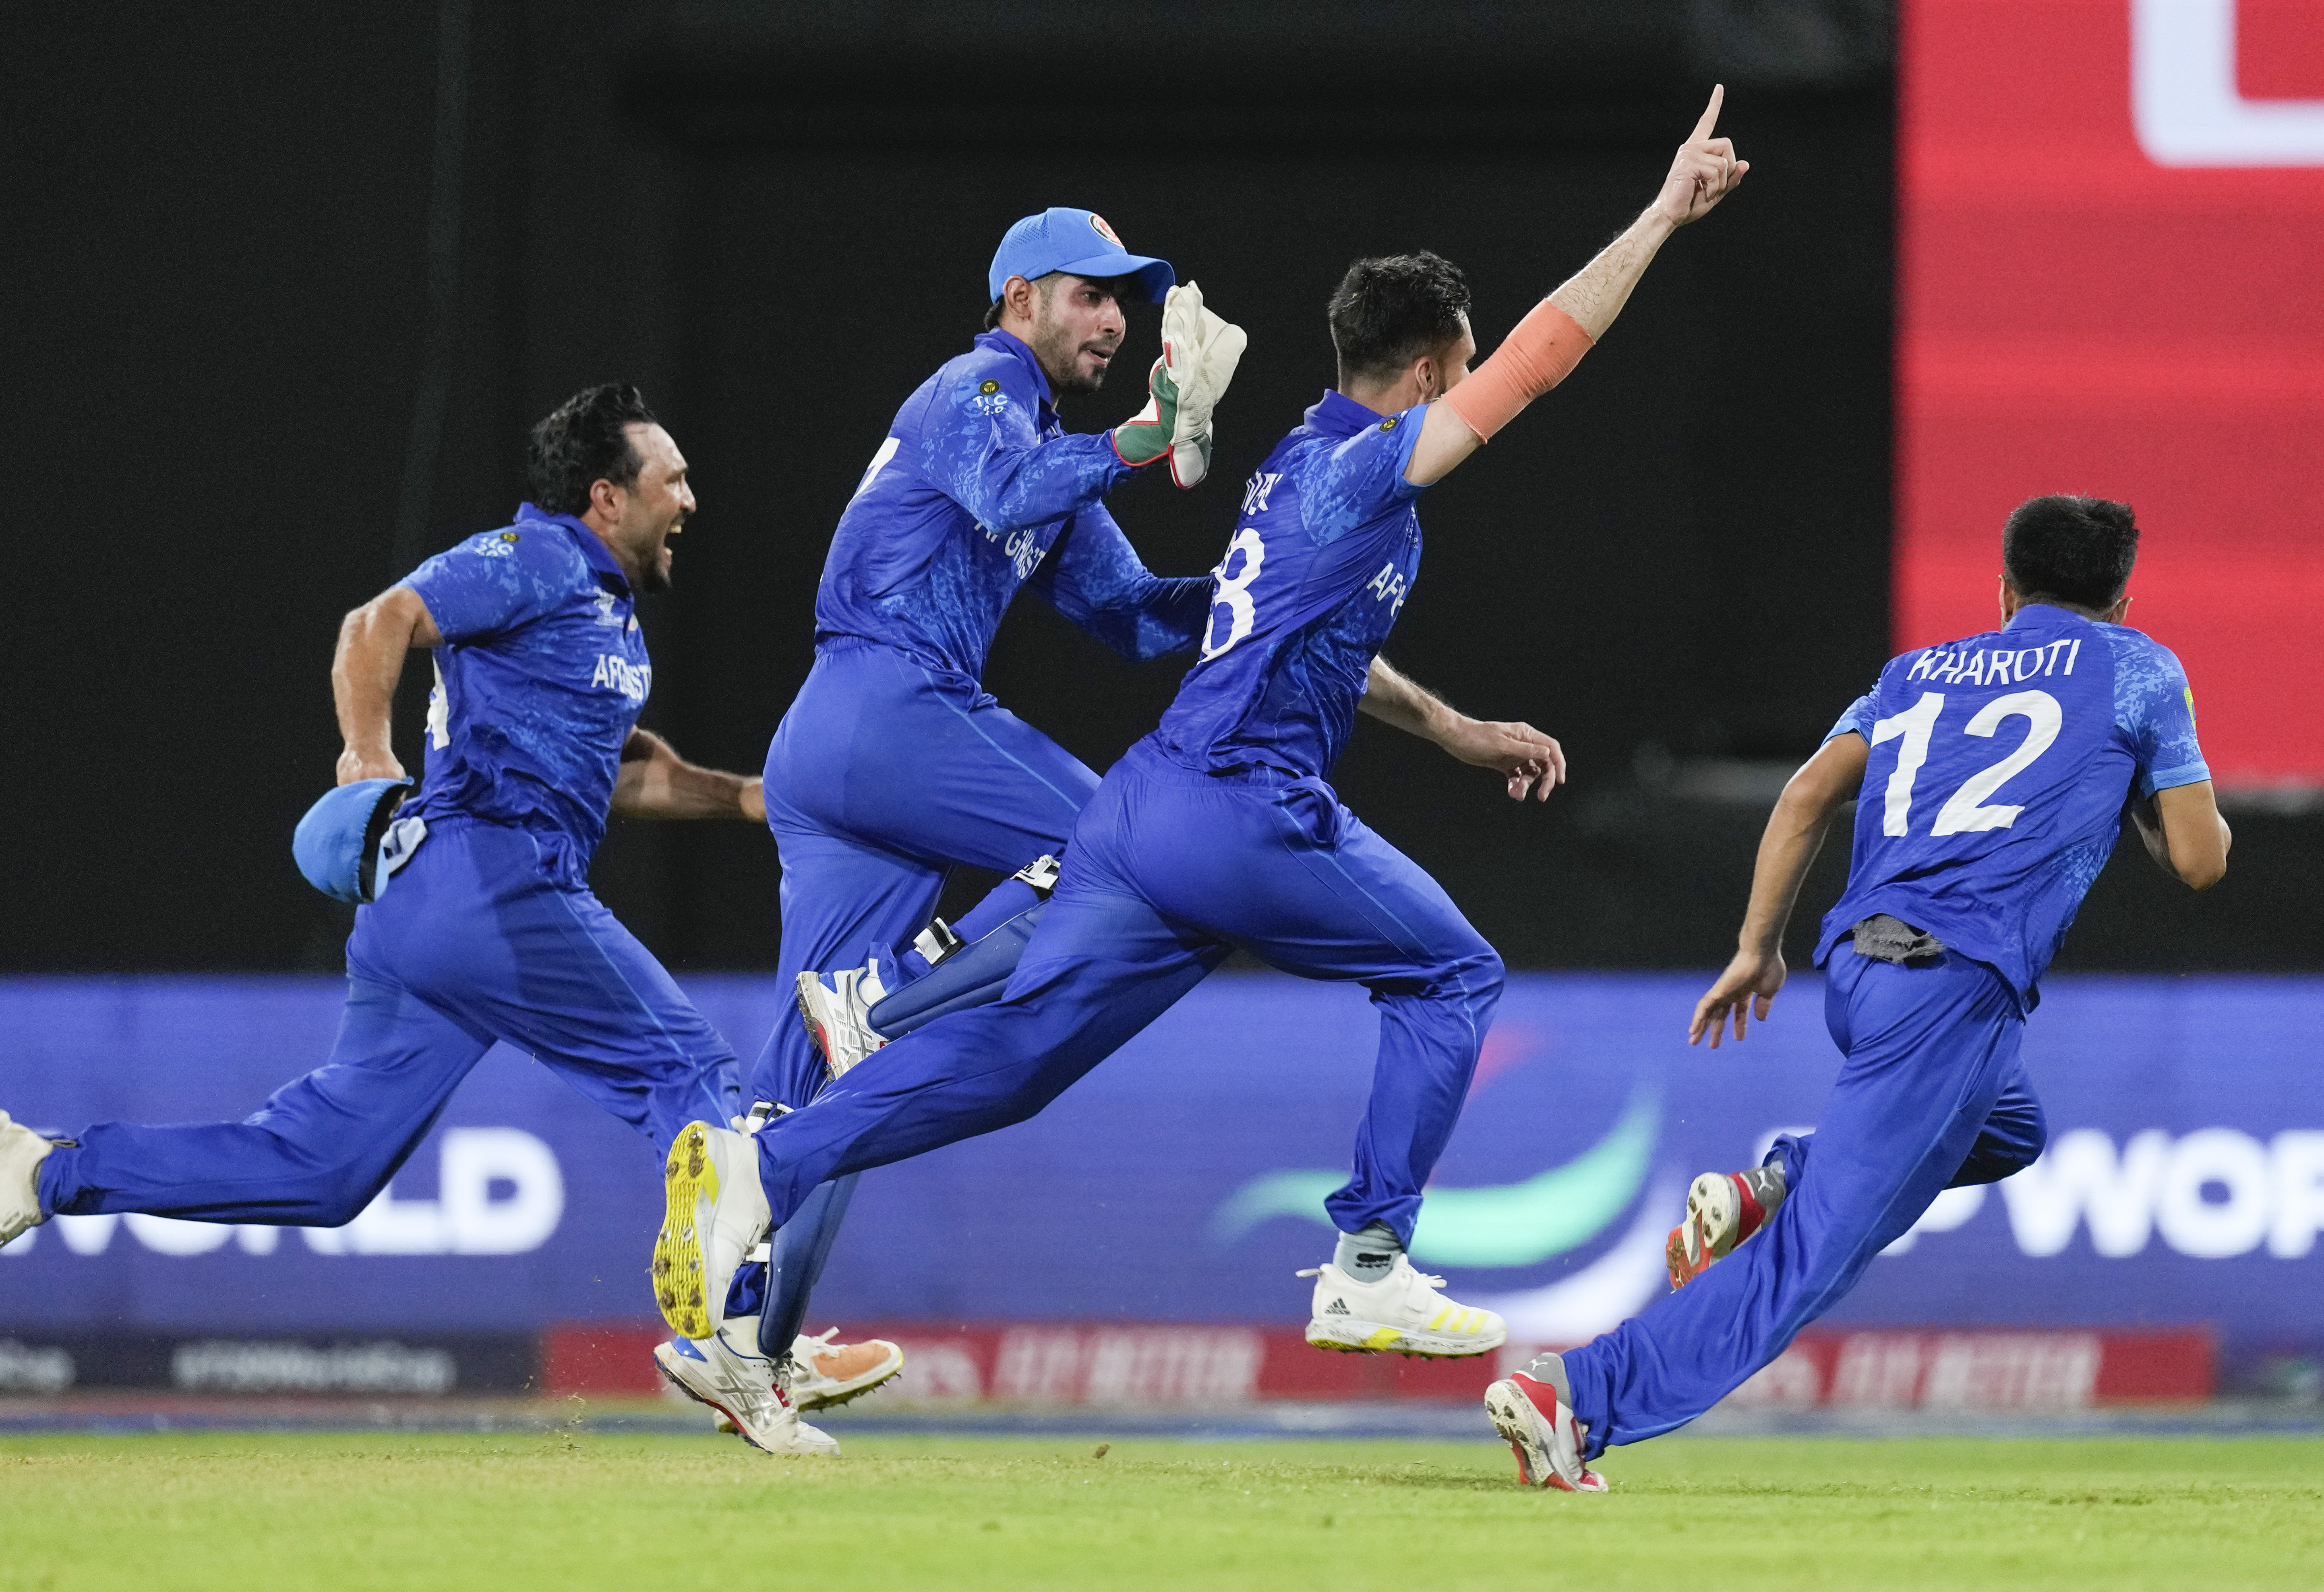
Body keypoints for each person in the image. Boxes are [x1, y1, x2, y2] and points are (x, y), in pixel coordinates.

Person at [652, 91, 1752, 1365]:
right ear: (1436, 368)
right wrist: (1664, 214)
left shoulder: (1292, 463)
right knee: (1453, 975)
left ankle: (765, 1168)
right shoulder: (1341, 461)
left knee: (1016, 1068)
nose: (1115, 317)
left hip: (1149, 808)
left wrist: (1451, 726)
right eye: (1090, 293)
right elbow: (1545, 359)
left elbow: (1185, 622)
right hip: (1211, 797)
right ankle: (1368, 1262)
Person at [0, 384, 855, 1454]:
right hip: (487, 878)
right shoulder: (537, 556)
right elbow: (380, 622)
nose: (690, 496)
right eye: (671, 477)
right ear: (606, 497)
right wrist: (366, 754)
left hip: (431, 921)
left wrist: (746, 800)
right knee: (694, 1077)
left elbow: (626, 774)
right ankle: (737, 1343)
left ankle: (39, 1171)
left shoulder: (601, 610)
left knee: (320, 1173)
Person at [1483, 493, 2232, 1491]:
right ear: (2124, 601)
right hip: (1952, 991)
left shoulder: (1911, 674)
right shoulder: (2140, 668)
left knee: (2011, 1130)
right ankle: (1577, 1393)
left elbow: (1804, 796)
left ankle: (1783, 1177)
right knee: (1815, 1256)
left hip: (1861, 971)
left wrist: (1758, 947)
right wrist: (2147, 782)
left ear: (2003, 591)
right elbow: (2197, 860)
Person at [695, 209, 1244, 1391]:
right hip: (882, 706)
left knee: (828, 1090)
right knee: (1133, 846)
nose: (1113, 318)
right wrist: (1149, 432)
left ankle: (748, 1345)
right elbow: (1004, 488)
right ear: (1018, 299)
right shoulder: (972, 386)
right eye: (1088, 294)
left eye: (1122, 300)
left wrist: (1260, 583)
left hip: (842, 751)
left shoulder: (1053, 451)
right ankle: (891, 994)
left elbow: (1132, 615)